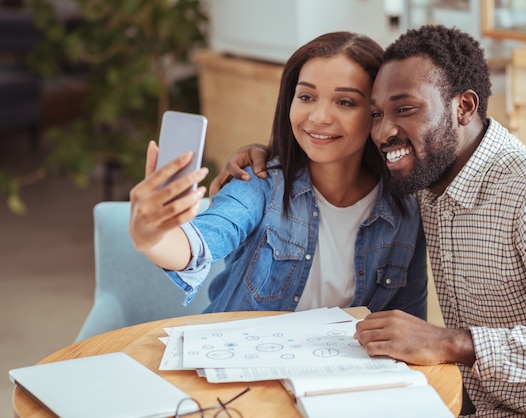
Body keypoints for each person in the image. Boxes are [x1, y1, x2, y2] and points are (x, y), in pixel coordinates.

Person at [212, 25, 526, 417]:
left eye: (405, 109)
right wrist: (268, 154)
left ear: (464, 106)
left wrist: (452, 343)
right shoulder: (426, 185)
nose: (384, 131)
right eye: (375, 114)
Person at [128, 31, 428, 317]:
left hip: (337, 369)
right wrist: (153, 236)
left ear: (376, 113)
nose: (319, 117)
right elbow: (199, 243)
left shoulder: (404, 209)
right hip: (239, 362)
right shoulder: (259, 182)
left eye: (345, 102)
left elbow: (407, 325)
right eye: (307, 97)